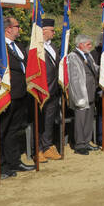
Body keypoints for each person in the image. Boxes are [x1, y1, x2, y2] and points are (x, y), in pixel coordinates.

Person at [2, 17, 34, 176]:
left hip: (21, 93)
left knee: (14, 130)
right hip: (6, 94)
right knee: (3, 129)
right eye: (17, 26)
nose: (19, 29)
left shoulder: (19, 46)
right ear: (8, 29)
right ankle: (2, 165)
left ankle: (14, 161)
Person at [66, 35, 99, 155]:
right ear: (81, 44)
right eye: (88, 44)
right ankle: (80, 145)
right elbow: (74, 78)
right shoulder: (73, 57)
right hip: (81, 94)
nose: (90, 47)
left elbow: (94, 68)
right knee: (80, 119)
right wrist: (78, 96)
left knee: (89, 118)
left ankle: (86, 141)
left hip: (91, 92)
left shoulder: (88, 55)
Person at [38, 18, 62, 162]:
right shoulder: (36, 47)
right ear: (44, 31)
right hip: (42, 90)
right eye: (52, 30)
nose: (54, 33)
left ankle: (47, 146)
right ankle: (38, 149)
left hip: (54, 90)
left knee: (49, 121)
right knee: (40, 121)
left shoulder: (53, 47)